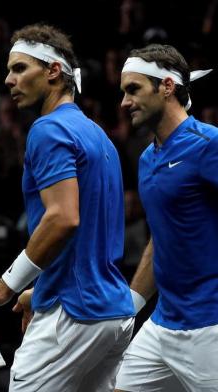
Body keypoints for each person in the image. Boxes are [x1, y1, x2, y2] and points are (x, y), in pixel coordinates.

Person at [0, 23, 135, 392]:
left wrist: (7, 286)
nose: (9, 80)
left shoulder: (47, 131)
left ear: (53, 71)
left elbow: (63, 218)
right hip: (113, 312)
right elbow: (86, 235)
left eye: (19, 68)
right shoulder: (98, 135)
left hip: (73, 315)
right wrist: (37, 291)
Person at [115, 44, 218, 392]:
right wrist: (130, 306)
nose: (124, 102)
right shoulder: (146, 160)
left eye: (133, 90)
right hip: (161, 326)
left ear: (167, 87)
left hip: (209, 328)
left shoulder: (208, 144)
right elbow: (161, 238)